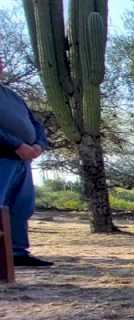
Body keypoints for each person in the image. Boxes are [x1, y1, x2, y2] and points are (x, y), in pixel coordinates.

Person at [0, 55, 52, 267]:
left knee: (21, 206)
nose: (1, 66)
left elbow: (35, 123)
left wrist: (39, 144)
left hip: (23, 160)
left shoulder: (12, 95)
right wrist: (16, 145)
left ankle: (17, 253)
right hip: (4, 156)